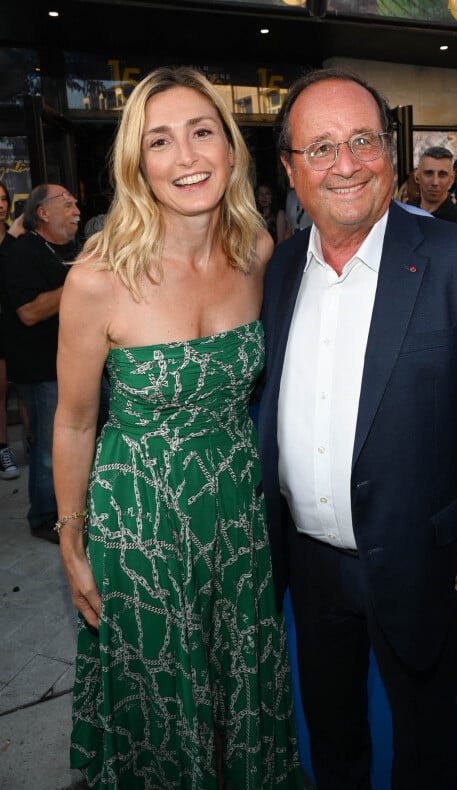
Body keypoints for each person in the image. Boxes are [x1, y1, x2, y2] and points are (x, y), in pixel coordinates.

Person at [258, 68, 457, 790]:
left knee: (424, 739)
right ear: (290, 168)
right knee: (331, 731)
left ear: (392, 150)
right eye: (319, 148)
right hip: (309, 564)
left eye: (361, 140)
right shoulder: (278, 269)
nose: (345, 164)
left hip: (428, 560)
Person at [52, 66, 302, 788]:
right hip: (139, 524)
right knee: (164, 703)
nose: (186, 158)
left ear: (230, 148)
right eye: (161, 141)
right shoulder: (98, 277)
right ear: (138, 162)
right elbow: (72, 422)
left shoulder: (259, 253)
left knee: (239, 685)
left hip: (236, 513)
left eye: (202, 133)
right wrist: (73, 539)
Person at [3, 183, 80, 542]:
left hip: (72, 362)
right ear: (43, 213)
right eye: (66, 203)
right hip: (41, 366)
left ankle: (75, 508)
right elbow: (29, 313)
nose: (75, 208)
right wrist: (82, 282)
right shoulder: (23, 253)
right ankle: (44, 516)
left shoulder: (68, 250)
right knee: (50, 446)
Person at [0, 180, 21, 480]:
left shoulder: (16, 240)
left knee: (13, 389)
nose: (0, 204)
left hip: (14, 323)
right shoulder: (13, 239)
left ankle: (14, 445)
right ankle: (2, 448)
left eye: (3, 198)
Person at [414, 146, 457, 228]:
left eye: (442, 174)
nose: (435, 182)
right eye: (429, 173)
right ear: (417, 176)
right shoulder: (405, 213)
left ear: (452, 178)